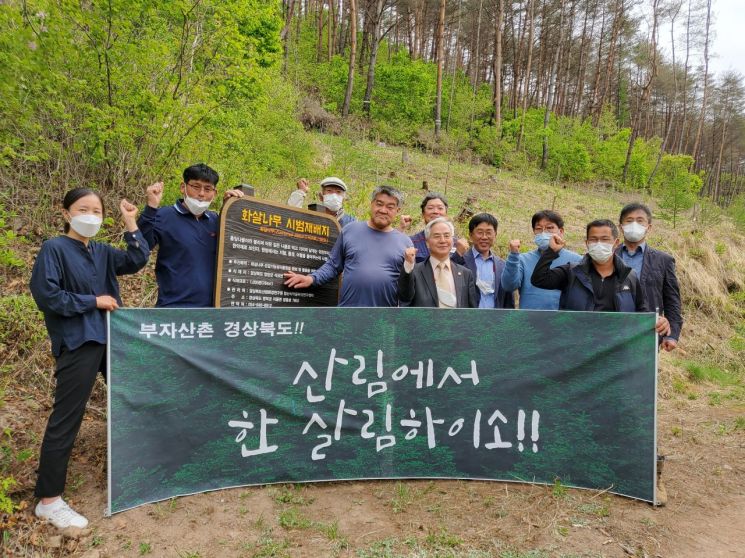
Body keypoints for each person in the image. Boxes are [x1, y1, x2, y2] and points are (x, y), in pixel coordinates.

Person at [29, 188, 150, 529]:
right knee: (67, 418)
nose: (91, 216)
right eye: (84, 209)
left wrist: (130, 221)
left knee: (134, 400)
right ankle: (49, 500)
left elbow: (137, 259)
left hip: (113, 338)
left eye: (97, 211)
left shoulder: (101, 251)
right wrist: (92, 301)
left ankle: (142, 470)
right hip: (79, 341)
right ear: (66, 213)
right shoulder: (54, 248)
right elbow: (47, 295)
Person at [530, 219, 671, 337]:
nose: (598, 243)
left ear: (615, 243)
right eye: (593, 239)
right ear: (587, 243)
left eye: (604, 239)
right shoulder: (572, 272)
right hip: (576, 349)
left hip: (615, 350)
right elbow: (539, 279)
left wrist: (657, 320)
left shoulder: (629, 276)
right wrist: (551, 252)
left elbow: (642, 311)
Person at [284, 185, 413, 307]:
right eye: (379, 204)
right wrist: (312, 279)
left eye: (390, 207)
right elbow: (333, 265)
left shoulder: (405, 243)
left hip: (384, 319)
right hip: (348, 314)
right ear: (371, 204)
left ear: (397, 210)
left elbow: (406, 290)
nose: (383, 210)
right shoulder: (350, 230)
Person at [137, 163, 244, 307]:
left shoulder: (217, 222)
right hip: (173, 308)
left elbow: (240, 250)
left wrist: (230, 209)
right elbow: (140, 247)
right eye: (195, 186)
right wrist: (151, 207)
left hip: (212, 311)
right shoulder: (163, 216)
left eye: (208, 189)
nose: (201, 193)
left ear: (215, 193)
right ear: (183, 187)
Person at [618, 203, 683, 352]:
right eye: (629, 220)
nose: (634, 224)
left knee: (642, 375)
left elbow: (672, 299)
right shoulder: (609, 256)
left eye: (640, 220)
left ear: (649, 227)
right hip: (613, 329)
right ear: (621, 227)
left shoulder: (663, 260)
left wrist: (672, 334)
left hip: (648, 331)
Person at [501, 210, 582, 309]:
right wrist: (513, 255)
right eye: (539, 228)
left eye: (550, 228)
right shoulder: (523, 259)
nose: (544, 232)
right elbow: (508, 286)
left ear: (561, 231)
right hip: (529, 320)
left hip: (563, 321)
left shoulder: (576, 260)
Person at [398, 217, 478, 308]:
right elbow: (404, 297)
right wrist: (408, 265)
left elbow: (471, 310)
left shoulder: (465, 274)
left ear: (452, 241)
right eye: (437, 236)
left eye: (447, 236)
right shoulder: (415, 271)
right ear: (427, 242)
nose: (442, 240)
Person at [462, 213, 514, 309]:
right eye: (480, 232)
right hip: (468, 320)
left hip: (495, 321)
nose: (484, 237)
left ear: (495, 235)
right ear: (470, 235)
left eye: (489, 232)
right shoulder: (461, 261)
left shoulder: (502, 266)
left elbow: (508, 300)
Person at [399, 192, 468, 263]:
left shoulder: (458, 245)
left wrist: (458, 254)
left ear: (446, 214)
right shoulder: (411, 242)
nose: (435, 211)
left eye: (440, 208)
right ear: (423, 214)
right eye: (430, 208)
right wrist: (400, 229)